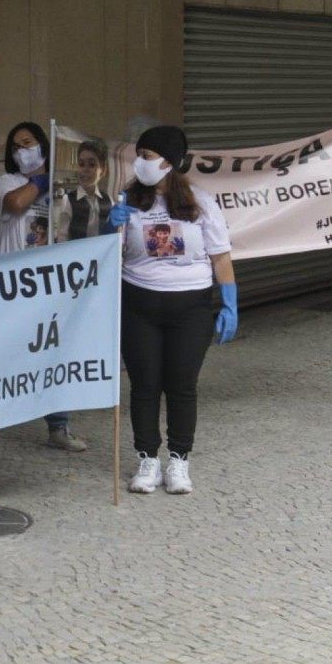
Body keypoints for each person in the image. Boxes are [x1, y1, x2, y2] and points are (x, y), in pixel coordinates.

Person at [106, 125, 238, 494]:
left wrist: (230, 302)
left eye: (147, 156)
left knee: (182, 385)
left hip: (190, 308)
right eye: (140, 156)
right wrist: (107, 227)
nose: (140, 163)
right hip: (139, 305)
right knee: (145, 385)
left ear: (169, 162)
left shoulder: (200, 202)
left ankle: (179, 459)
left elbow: (221, 256)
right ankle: (148, 458)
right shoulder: (127, 201)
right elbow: (107, 255)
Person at [0, 121, 86, 454]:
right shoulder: (7, 182)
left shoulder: (62, 189)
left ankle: (58, 426)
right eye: (15, 147)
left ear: (43, 145)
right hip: (9, 284)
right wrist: (41, 180)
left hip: (48, 283)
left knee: (53, 352)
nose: (21, 151)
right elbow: (15, 204)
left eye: (28, 143)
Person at [55, 139, 113, 242]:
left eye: (91, 165)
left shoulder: (108, 201)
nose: (85, 169)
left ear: (103, 170)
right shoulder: (68, 200)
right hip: (75, 257)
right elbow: (62, 240)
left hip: (101, 257)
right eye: (81, 164)